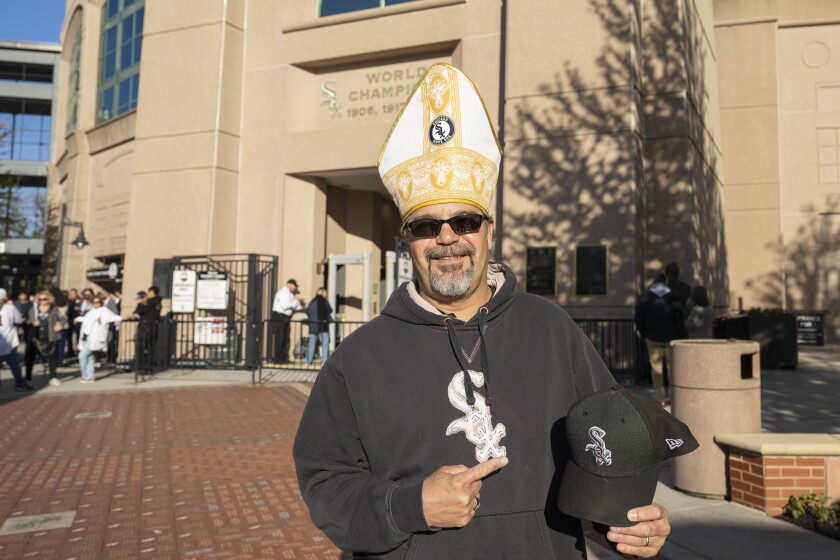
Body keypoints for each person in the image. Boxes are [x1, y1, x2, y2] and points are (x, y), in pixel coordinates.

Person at [293, 63, 670, 559]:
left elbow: (606, 445)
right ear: (406, 240)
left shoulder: (551, 329)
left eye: (464, 220)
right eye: (426, 226)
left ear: (489, 230)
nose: (447, 237)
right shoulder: (357, 358)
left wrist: (627, 524)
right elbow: (326, 482)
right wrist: (410, 507)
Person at [634, 272, 687, 407]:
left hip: (652, 337)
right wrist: (682, 336)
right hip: (671, 338)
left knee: (656, 369)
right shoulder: (672, 298)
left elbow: (639, 319)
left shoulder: (644, 298)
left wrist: (643, 333)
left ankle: (660, 398)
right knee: (672, 369)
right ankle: (674, 396)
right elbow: (679, 320)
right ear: (665, 282)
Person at [75, 295, 122, 383]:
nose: (96, 304)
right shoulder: (90, 312)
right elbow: (85, 320)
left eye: (98, 302)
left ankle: (85, 376)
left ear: (101, 303)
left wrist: (118, 320)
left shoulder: (104, 311)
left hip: (94, 338)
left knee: (82, 355)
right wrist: (77, 319)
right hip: (85, 337)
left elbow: (114, 317)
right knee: (88, 357)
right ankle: (90, 376)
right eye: (94, 302)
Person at [25, 290, 67, 386]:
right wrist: (32, 323)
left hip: (50, 336)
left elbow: (63, 319)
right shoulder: (34, 309)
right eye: (40, 299)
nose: (42, 301)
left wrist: (60, 325)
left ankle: (53, 377)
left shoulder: (54, 309)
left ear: (49, 299)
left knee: (52, 358)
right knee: (30, 357)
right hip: (36, 337)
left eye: (44, 299)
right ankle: (28, 377)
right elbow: (27, 322)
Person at [0, 289, 32, 391]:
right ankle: (19, 383)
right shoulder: (10, 308)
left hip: (6, 338)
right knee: (13, 362)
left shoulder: (8, 307)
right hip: (8, 339)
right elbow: (18, 320)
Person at [271, 279, 304, 363]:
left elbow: (293, 307)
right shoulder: (282, 293)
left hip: (286, 317)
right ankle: (277, 359)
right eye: (294, 286)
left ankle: (284, 358)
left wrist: (302, 307)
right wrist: (296, 301)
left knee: (286, 338)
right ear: (289, 284)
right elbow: (285, 306)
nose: (295, 288)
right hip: (279, 316)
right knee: (279, 338)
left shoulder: (290, 294)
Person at [304, 287, 332, 366]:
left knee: (311, 343)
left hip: (313, 326)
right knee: (325, 343)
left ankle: (307, 361)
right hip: (323, 325)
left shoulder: (312, 301)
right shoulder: (324, 301)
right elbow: (329, 310)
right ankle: (324, 361)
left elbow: (308, 311)